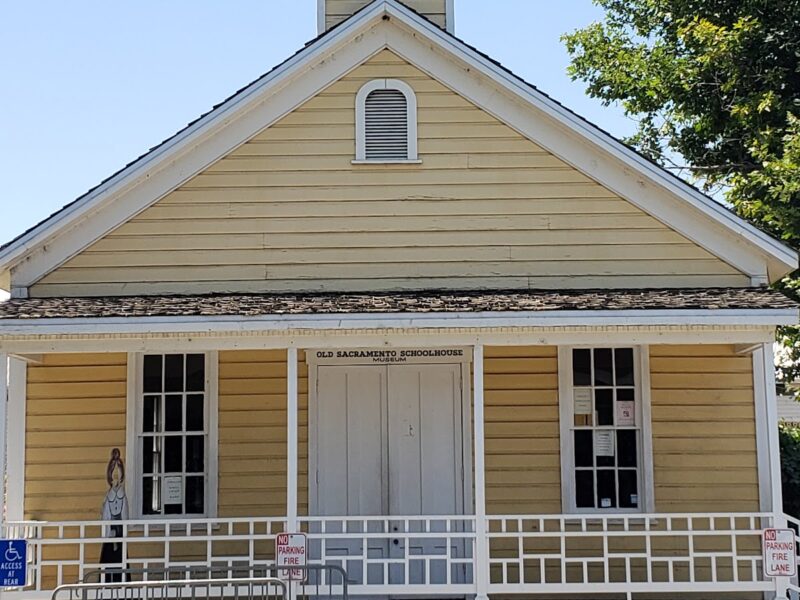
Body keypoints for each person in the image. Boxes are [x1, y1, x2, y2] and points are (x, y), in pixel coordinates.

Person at [99, 448, 129, 582]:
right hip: (110, 536)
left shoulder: (122, 496)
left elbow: (125, 516)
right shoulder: (108, 497)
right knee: (108, 561)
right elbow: (105, 516)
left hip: (120, 535)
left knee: (121, 561)